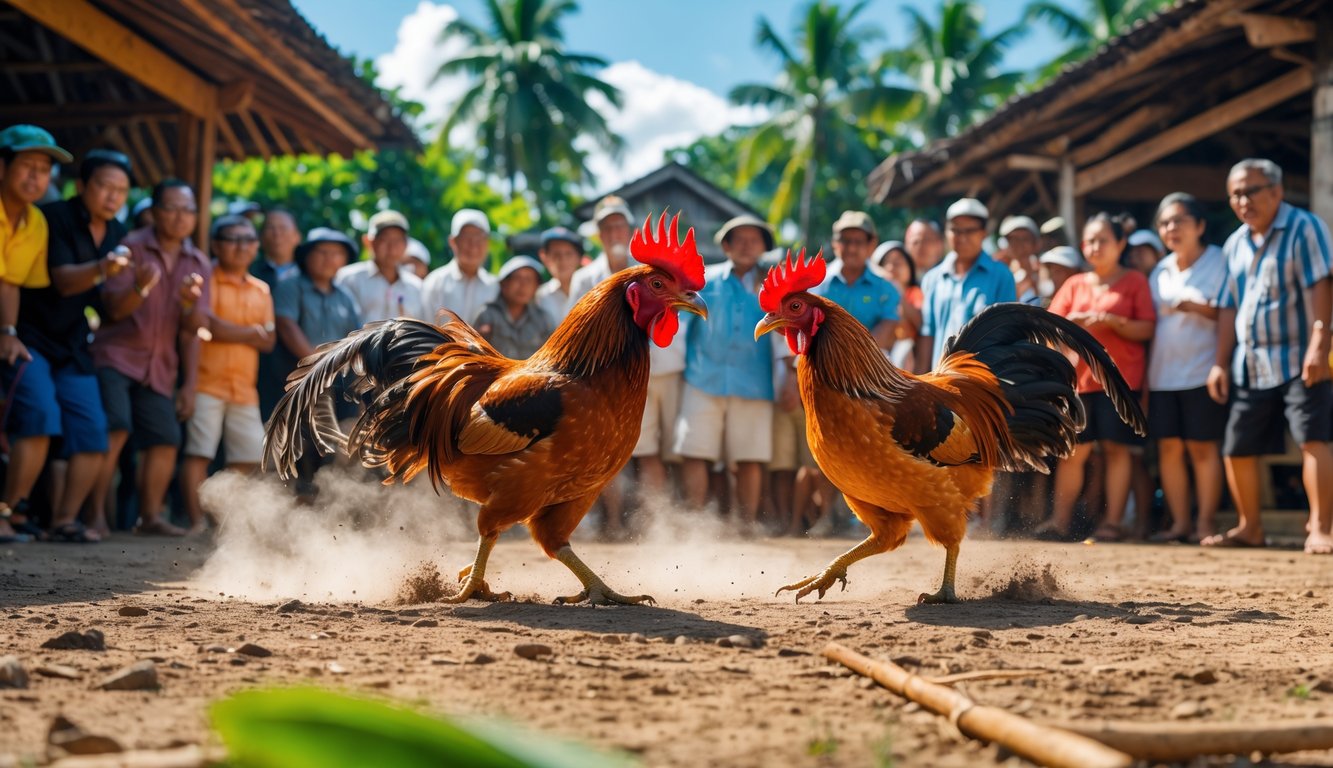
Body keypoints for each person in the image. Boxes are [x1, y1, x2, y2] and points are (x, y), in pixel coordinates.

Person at [1206, 159, 1333, 554]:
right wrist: (1220, 362)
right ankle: (1250, 528)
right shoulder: (1235, 243)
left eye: (1252, 190)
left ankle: (1322, 528)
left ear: (1276, 191)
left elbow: (1321, 283)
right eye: (1236, 194)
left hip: (1301, 357)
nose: (1244, 200)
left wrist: (1320, 343)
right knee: (1237, 448)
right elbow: (1229, 306)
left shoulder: (1304, 227)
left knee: (1314, 439)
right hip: (1252, 362)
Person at [89, 179, 210, 537]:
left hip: (160, 366)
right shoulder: (130, 248)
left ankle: (150, 517)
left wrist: (189, 384)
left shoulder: (198, 261)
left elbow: (194, 328)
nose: (180, 217)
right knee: (116, 430)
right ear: (154, 212)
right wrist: (141, 287)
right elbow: (111, 309)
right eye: (171, 208)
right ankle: (94, 516)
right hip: (116, 355)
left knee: (165, 439)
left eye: (188, 210)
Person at [1040, 213, 1156, 542]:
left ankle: (1113, 523)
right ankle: (1059, 522)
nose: (1095, 247)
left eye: (1102, 240)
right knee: (1075, 452)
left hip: (1120, 382)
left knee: (1118, 451)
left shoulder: (1135, 281)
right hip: (1079, 383)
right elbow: (1048, 329)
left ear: (1120, 244)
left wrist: (1111, 321)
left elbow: (1147, 328)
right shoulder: (1074, 284)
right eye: (1089, 241)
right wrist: (1071, 325)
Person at [675, 215, 775, 530]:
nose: (747, 245)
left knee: (750, 457)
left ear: (763, 247)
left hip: (755, 381)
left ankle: (746, 525)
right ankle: (696, 524)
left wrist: (789, 377)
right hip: (702, 377)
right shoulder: (704, 280)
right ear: (727, 245)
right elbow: (680, 328)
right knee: (694, 452)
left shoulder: (772, 285)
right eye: (739, 239)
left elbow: (784, 335)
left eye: (754, 240)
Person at [0, 125, 75, 542]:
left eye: (43, 169)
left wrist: (8, 332)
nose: (35, 176)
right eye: (26, 165)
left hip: (14, 333)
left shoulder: (34, 222)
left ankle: (9, 511)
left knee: (40, 412)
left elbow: (8, 282)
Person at [180, 215, 274, 534]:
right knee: (198, 453)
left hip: (244, 388)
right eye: (233, 239)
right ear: (216, 245)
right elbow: (205, 326)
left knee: (249, 457)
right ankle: (195, 522)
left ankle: (224, 523)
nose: (241, 246)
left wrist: (223, 330)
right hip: (206, 382)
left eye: (248, 240)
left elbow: (270, 340)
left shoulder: (262, 289)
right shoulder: (204, 280)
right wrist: (250, 332)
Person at [1147, 192, 1228, 544]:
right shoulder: (1159, 270)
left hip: (1202, 370)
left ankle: (1205, 524)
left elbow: (1228, 311)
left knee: (1202, 448)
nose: (1171, 228)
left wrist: (1198, 307)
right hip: (1163, 374)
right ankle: (1180, 524)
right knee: (1168, 449)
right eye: (1165, 222)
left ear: (1200, 225)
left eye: (1179, 220)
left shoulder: (1219, 261)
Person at [569, 197, 645, 537]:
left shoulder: (647, 272)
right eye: (607, 227)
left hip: (641, 374)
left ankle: (648, 523)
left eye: (619, 225)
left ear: (629, 230)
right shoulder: (585, 277)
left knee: (649, 452)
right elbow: (576, 326)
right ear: (599, 234)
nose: (614, 231)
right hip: (598, 380)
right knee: (603, 452)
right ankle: (609, 521)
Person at [273, 227, 362, 497]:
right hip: (295, 381)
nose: (329, 258)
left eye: (336, 253)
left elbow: (356, 340)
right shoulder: (290, 287)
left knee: (336, 444)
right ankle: (289, 505)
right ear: (306, 257)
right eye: (321, 252)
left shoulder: (345, 297)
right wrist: (318, 367)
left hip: (339, 383)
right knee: (298, 443)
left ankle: (326, 505)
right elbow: (286, 326)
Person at [916, 199, 1017, 371]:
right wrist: (920, 381)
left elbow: (1007, 332)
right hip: (940, 381)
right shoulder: (933, 277)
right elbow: (928, 333)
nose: (961, 237)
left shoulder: (1001, 275)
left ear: (983, 233)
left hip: (982, 382)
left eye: (970, 231)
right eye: (955, 230)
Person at [252, 207, 302, 420]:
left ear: (297, 236)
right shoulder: (250, 271)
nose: (277, 234)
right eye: (270, 228)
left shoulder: (309, 273)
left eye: (283, 228)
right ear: (261, 238)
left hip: (300, 365)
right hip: (259, 365)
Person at [334, 210, 424, 322]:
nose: (392, 248)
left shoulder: (416, 287)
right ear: (369, 242)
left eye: (398, 240)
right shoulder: (348, 279)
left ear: (406, 244)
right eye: (384, 240)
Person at [421, 209, 498, 325]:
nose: (473, 247)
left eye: (479, 239)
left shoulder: (495, 287)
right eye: (466, 239)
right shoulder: (434, 283)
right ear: (453, 242)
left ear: (487, 243)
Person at [474, 256, 554, 359]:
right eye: (517, 278)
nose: (523, 285)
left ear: (536, 287)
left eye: (529, 280)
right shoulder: (487, 315)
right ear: (504, 284)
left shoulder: (544, 320)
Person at [873, 240, 922, 371]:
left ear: (910, 269)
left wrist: (898, 292)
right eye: (886, 263)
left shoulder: (914, 293)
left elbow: (920, 322)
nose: (891, 268)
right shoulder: (874, 297)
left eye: (898, 263)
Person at [536, 226, 583, 324]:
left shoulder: (593, 288)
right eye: (556, 254)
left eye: (568, 254)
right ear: (544, 258)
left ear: (579, 258)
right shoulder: (540, 297)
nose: (563, 260)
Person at [999, 215, 1042, 303]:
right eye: (1014, 239)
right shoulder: (1000, 272)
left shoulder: (1045, 269)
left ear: (1035, 243)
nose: (1020, 244)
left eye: (1025, 239)